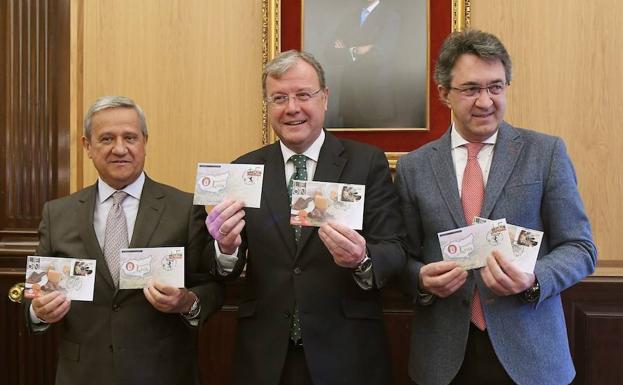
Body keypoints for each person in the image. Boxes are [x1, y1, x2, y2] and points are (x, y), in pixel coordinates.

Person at [395, 30, 597, 385]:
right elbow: (403, 255)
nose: (485, 101)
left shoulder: (545, 153)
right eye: (471, 89)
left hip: (531, 355)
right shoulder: (414, 167)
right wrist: (420, 280)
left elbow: (580, 248)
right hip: (443, 360)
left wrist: (534, 280)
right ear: (444, 93)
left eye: (496, 87)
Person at [204, 50, 405, 385]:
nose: (292, 108)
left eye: (303, 95)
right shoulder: (243, 169)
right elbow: (225, 270)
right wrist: (225, 248)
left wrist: (362, 258)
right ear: (268, 106)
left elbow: (395, 248)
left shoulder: (365, 163)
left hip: (346, 353)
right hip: (265, 357)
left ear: (324, 99)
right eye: (279, 98)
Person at [24, 96, 224, 385]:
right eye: (106, 138)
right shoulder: (57, 214)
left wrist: (187, 302)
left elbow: (212, 286)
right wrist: (38, 312)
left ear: (144, 142)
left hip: (163, 373)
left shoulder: (183, 208)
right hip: (83, 374)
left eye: (130, 137)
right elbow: (36, 294)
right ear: (87, 146)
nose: (120, 149)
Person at [325, 0, 400, 127]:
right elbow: (329, 53)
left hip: (374, 101)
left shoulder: (390, 16)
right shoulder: (350, 16)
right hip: (348, 100)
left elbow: (379, 56)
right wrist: (358, 50)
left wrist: (346, 50)